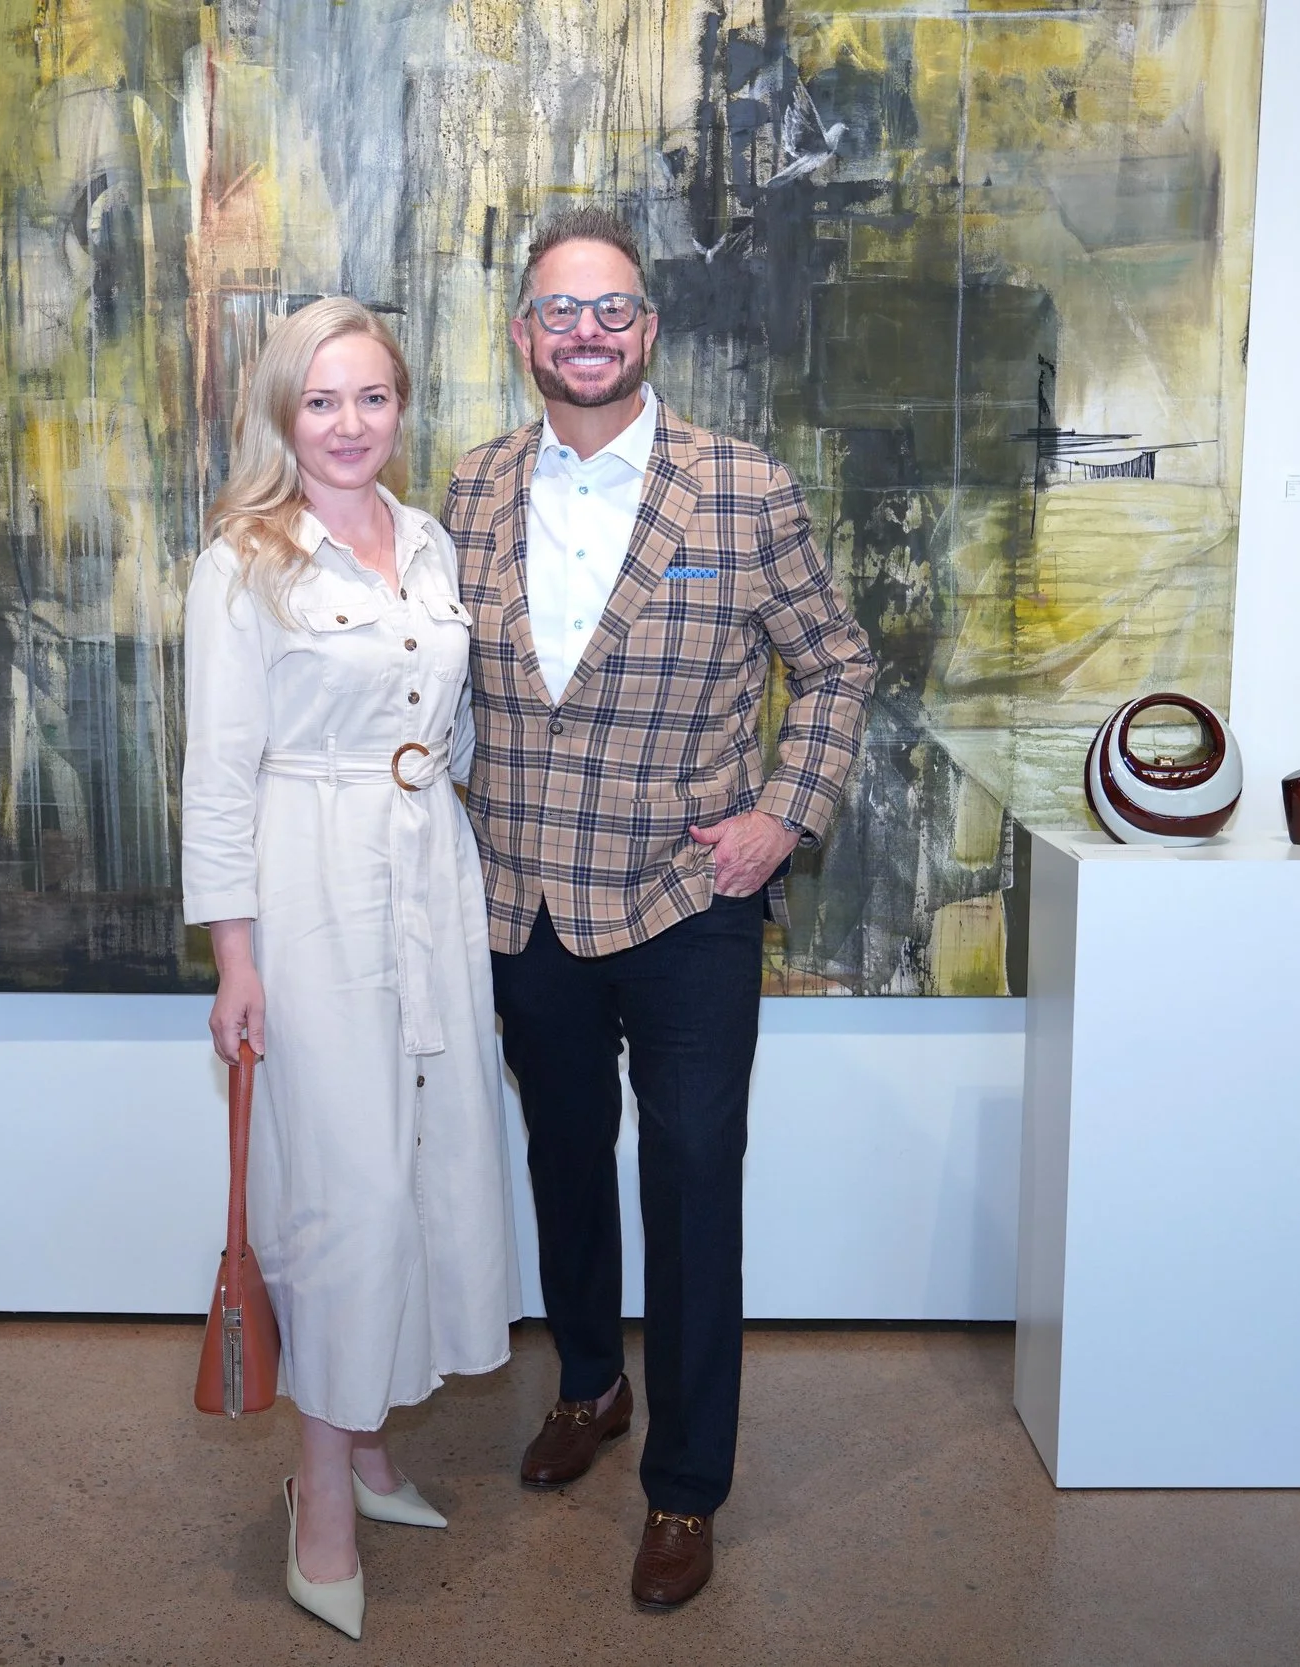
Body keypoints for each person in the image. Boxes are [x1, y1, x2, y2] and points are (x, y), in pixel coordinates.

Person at [444, 207, 877, 1609]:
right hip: (528, 899)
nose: (587, 333)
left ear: (649, 327)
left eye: (613, 308)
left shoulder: (744, 489)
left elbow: (839, 665)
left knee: (691, 1177)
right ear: (524, 334)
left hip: (694, 899)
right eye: (560, 311)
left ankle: (687, 1484)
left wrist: (783, 816)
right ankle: (589, 1384)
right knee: (565, 1159)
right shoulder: (467, 489)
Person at [181, 296, 519, 1641]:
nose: (348, 423)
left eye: (372, 397)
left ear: (400, 407)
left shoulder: (428, 541)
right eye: (321, 400)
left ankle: (372, 1446)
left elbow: (451, 719)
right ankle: (319, 1492)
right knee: (347, 1193)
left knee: (431, 1164)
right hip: (308, 883)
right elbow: (218, 772)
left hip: (429, 868)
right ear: (283, 412)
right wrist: (235, 958)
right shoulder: (243, 562)